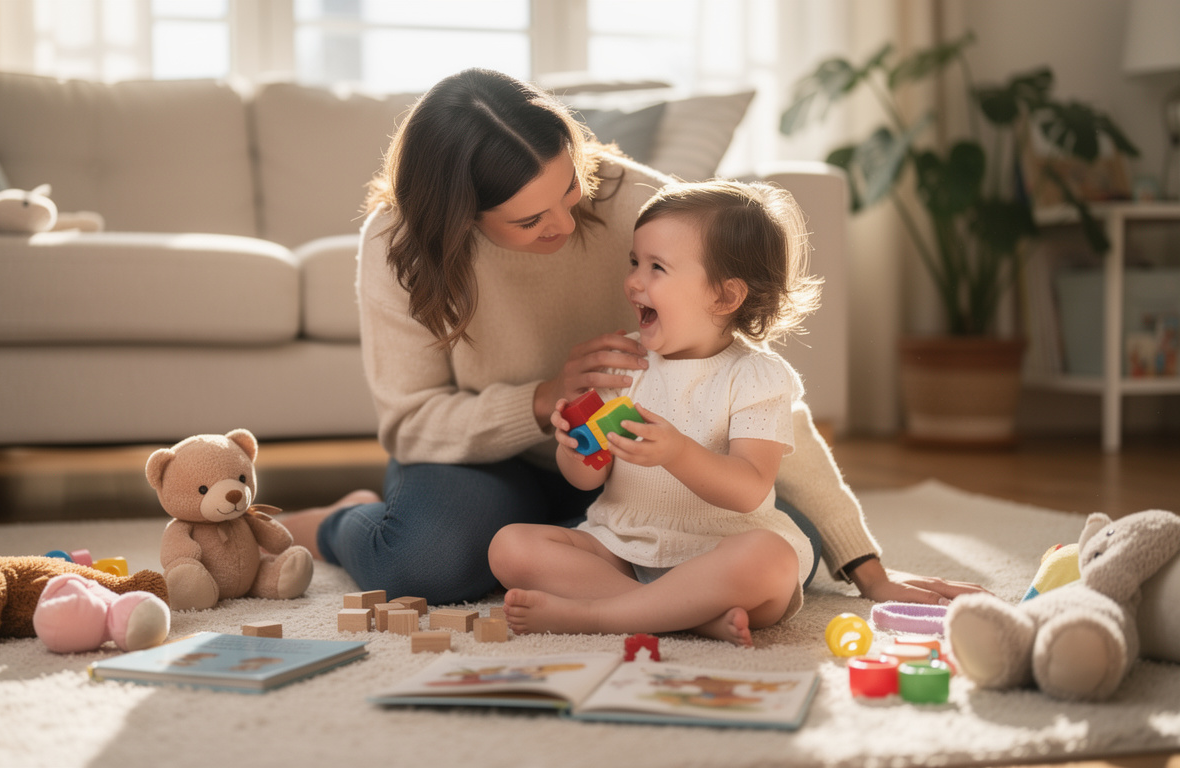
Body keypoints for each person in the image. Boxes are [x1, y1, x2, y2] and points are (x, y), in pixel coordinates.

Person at [285, 67, 985, 609]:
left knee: (778, 540)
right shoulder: (398, 244)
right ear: (460, 217)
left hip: (644, 468)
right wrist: (542, 401)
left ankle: (629, 584)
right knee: (428, 560)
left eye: (572, 190)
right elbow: (410, 423)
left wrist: (866, 567)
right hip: (486, 465)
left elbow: (756, 395)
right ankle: (337, 522)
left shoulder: (639, 208)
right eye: (532, 222)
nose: (565, 223)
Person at [489, 179, 819, 645]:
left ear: (726, 297)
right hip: (622, 546)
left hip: (718, 555)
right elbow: (587, 479)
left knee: (771, 559)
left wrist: (676, 452)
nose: (633, 281)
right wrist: (576, 446)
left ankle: (601, 616)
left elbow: (749, 488)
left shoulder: (756, 376)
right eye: (634, 262)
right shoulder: (624, 362)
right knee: (510, 547)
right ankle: (687, 617)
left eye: (657, 267)